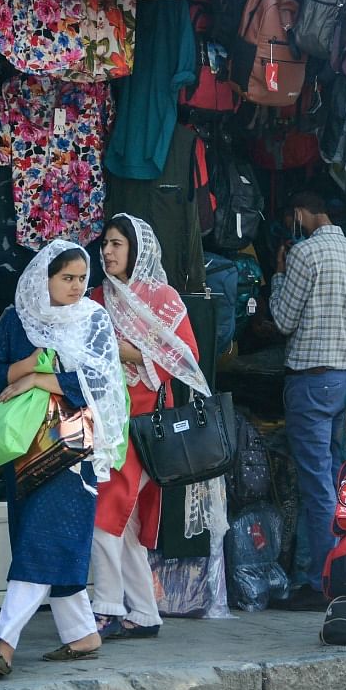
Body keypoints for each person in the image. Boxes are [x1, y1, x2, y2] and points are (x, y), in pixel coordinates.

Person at [0, 240, 128, 676]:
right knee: (47, 541)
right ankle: (83, 636)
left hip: (72, 452)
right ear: (44, 278)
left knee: (38, 543)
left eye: (82, 278)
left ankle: (5, 644)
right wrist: (24, 368)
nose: (77, 287)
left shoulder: (93, 321)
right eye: (67, 278)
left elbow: (101, 386)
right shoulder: (15, 319)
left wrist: (40, 380)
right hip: (24, 453)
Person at [89, 214, 205, 638]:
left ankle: (106, 607)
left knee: (106, 514)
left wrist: (129, 353)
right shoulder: (98, 296)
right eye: (105, 243)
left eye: (117, 244)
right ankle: (143, 612)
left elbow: (186, 358)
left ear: (137, 249)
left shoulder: (162, 298)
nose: (107, 251)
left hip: (145, 423)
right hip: (107, 419)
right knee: (127, 522)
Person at [269, 191, 346, 611]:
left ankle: (322, 580)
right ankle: (331, 572)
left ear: (300, 213)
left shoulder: (305, 255)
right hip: (345, 379)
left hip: (311, 382)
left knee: (316, 485)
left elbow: (282, 318)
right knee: (333, 479)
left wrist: (277, 275)